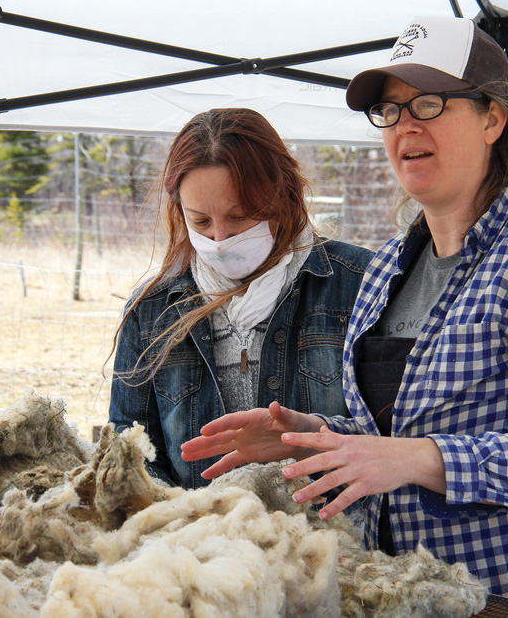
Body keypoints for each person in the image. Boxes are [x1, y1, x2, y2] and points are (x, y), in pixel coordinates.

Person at [181, 17, 508, 616]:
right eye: (390, 111)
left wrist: (419, 457)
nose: (406, 126)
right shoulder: (391, 266)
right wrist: (309, 439)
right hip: (428, 595)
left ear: (492, 119)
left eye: (429, 103)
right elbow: (389, 445)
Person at [108, 107, 373, 489]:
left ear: (281, 198)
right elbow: (131, 447)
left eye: (239, 217)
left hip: (330, 539)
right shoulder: (152, 310)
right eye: (200, 221)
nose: (219, 238)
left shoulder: (361, 284)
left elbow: (392, 436)